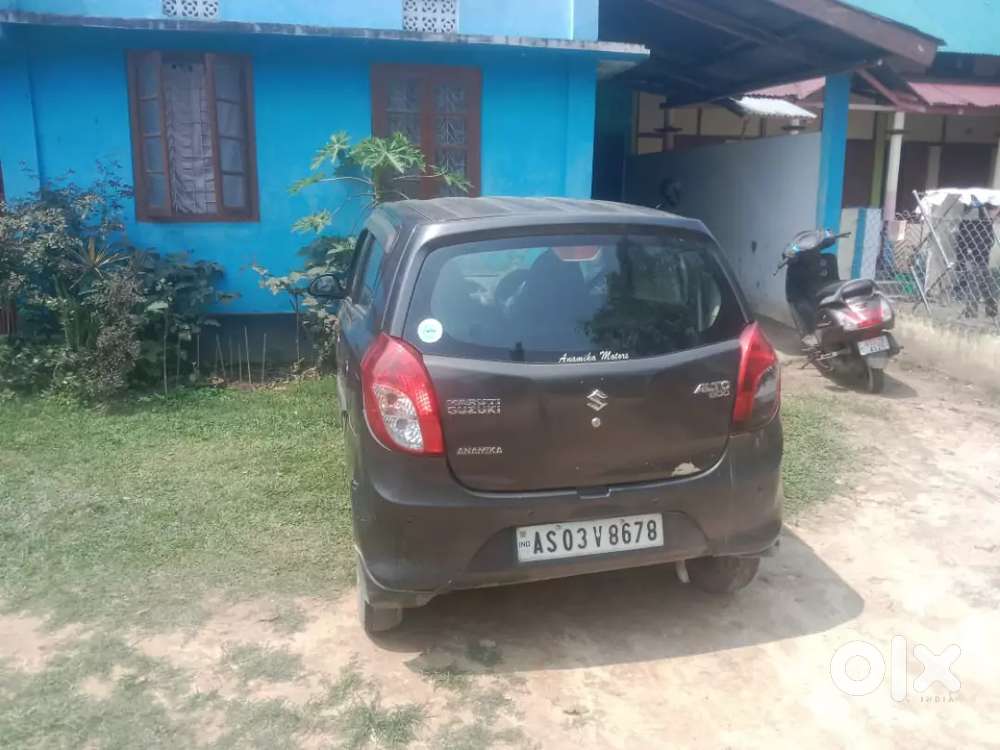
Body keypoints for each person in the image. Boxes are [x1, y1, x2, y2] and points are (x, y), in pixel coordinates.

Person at [954, 198, 998, 319]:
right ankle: (989, 306)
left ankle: (972, 308)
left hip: (982, 226)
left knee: (977, 269)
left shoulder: (988, 193)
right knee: (977, 270)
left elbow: (995, 203)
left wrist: (990, 216)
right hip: (968, 224)